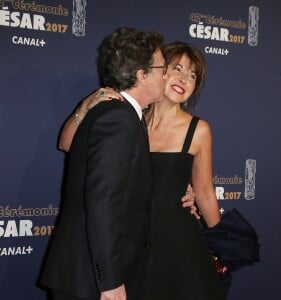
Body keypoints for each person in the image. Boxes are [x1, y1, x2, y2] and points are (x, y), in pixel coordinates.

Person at [58, 41, 226, 299]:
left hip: (176, 241)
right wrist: (85, 107)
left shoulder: (199, 130)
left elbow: (204, 192)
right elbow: (68, 144)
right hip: (128, 240)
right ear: (156, 72)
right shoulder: (126, 118)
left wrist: (223, 245)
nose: (184, 78)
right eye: (177, 68)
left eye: (192, 75)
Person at [39, 27, 168, 300]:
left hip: (89, 274)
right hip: (88, 280)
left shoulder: (120, 114)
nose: (166, 75)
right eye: (162, 68)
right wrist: (108, 281)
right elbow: (103, 201)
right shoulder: (119, 119)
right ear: (141, 75)